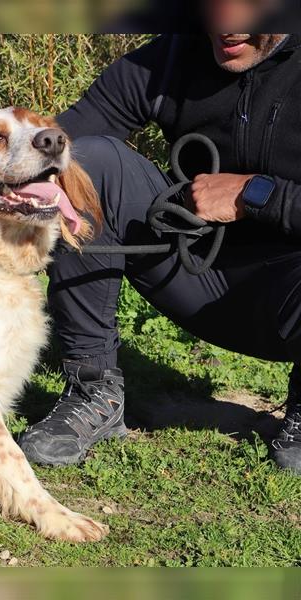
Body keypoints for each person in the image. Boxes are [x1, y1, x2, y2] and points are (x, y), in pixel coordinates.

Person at [17, 33, 301, 475]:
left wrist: (255, 194)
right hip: (191, 271)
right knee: (83, 162)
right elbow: (59, 144)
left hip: (291, 299)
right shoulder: (171, 55)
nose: (227, 26)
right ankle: (93, 390)